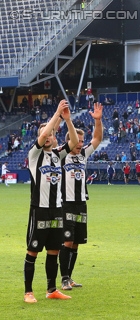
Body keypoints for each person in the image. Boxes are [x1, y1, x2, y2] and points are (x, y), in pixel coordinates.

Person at [23, 100, 79, 303]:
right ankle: (28, 292)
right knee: (33, 250)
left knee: (53, 251)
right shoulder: (34, 155)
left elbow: (73, 142)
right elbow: (44, 134)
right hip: (40, 210)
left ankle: (51, 289)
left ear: (55, 138)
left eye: (51, 135)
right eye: (45, 134)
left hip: (57, 210)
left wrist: (68, 120)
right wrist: (56, 114)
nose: (48, 137)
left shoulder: (58, 155)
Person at [58, 102, 103, 291]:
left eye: (82, 142)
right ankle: (64, 278)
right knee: (67, 240)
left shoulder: (83, 154)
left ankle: (70, 277)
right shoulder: (61, 155)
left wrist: (98, 121)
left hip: (81, 203)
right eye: (77, 141)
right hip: (66, 203)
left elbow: (98, 139)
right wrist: (68, 121)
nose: (80, 144)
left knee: (76, 242)